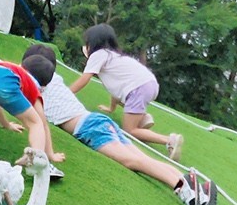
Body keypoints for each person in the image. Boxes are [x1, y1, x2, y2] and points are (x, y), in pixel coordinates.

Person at [21, 47, 215, 205]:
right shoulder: (55, 79)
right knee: (141, 157)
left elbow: (39, 121)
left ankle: (183, 190)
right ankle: (193, 185)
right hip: (97, 121)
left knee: (132, 161)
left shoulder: (37, 87)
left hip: (90, 127)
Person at [69, 24, 183, 161]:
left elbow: (84, 79)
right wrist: (111, 108)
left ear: (92, 43)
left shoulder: (98, 55)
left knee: (130, 130)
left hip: (138, 89)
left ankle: (169, 140)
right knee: (130, 103)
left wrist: (67, 92)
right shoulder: (114, 55)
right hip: (149, 84)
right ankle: (142, 117)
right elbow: (117, 88)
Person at [0, 58, 50, 160]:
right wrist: (50, 154)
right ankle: (35, 158)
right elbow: (41, 121)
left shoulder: (12, 68)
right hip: (3, 79)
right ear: (43, 87)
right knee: (36, 123)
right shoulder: (32, 85)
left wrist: (6, 124)